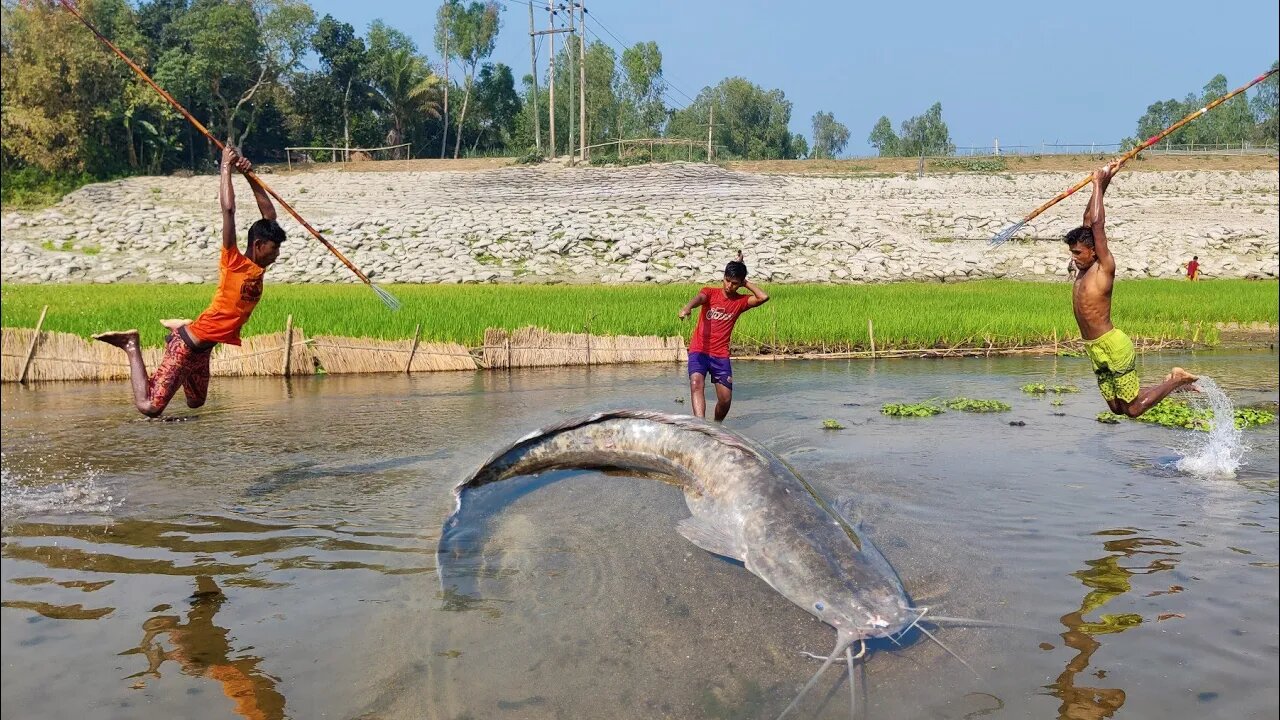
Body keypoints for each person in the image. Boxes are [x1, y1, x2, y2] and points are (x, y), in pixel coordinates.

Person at [94, 145, 284, 417]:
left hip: (203, 351)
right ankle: (131, 344)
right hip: (188, 347)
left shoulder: (257, 267)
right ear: (258, 244)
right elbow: (228, 211)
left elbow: (269, 217)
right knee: (150, 407)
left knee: (196, 402)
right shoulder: (234, 262)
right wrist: (226, 166)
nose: (277, 255)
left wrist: (249, 175)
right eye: (274, 249)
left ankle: (178, 333)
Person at [1065, 163, 1197, 418]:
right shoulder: (1083, 267)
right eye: (1072, 252)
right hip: (1093, 347)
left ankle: (1178, 379)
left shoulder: (1104, 266)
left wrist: (1095, 183)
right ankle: (1173, 385)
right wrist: (1103, 183)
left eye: (1077, 252)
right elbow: (1087, 222)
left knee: (1133, 410)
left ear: (1094, 250)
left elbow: (1098, 225)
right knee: (1117, 408)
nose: (1074, 258)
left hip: (1113, 345)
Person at [678, 251, 769, 421]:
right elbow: (699, 298)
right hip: (700, 349)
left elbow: (763, 297)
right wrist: (688, 307)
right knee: (696, 383)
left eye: (734, 283)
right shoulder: (710, 293)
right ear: (723, 278)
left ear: (740, 283)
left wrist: (745, 281)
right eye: (727, 280)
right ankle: (701, 426)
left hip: (720, 355)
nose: (729, 286)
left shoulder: (741, 302)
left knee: (725, 400)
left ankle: (717, 426)